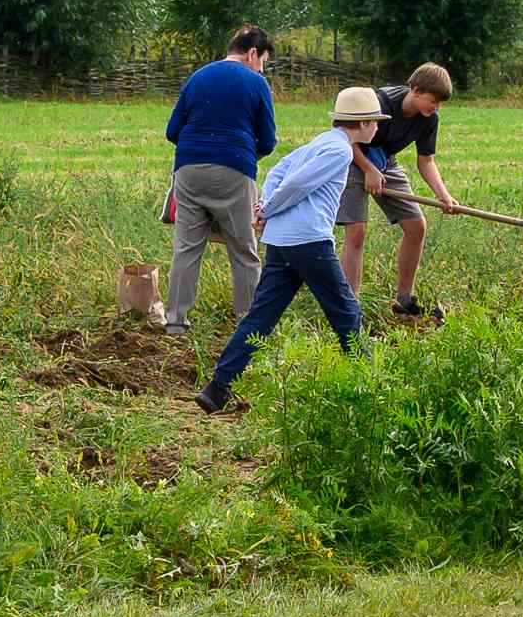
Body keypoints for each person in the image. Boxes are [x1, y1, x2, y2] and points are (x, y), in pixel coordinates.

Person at [193, 88, 382, 412]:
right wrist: (266, 210)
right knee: (346, 312)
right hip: (309, 240)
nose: (378, 127)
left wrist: (266, 204)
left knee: (261, 317)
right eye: (375, 121)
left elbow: (280, 169)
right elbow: (296, 185)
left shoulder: (322, 142)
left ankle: (217, 389)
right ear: (362, 123)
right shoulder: (340, 153)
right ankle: (369, 386)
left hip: (282, 242)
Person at [162, 25, 277, 336]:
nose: (261, 67)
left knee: (187, 249)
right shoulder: (256, 83)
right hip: (234, 170)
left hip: (188, 169)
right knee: (243, 250)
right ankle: (250, 327)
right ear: (253, 53)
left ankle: (175, 322)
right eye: (263, 60)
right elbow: (267, 140)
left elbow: (172, 131)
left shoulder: (198, 77)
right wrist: (240, 154)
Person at [337, 63, 459, 318]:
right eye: (433, 101)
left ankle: (404, 300)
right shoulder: (381, 102)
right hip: (352, 156)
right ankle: (350, 307)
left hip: (385, 161)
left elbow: (426, 161)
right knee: (357, 232)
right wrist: (368, 169)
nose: (436, 108)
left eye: (440, 104)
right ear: (415, 90)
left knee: (417, 226)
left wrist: (443, 195)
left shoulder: (429, 119)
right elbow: (346, 137)